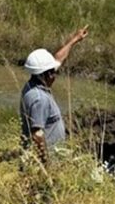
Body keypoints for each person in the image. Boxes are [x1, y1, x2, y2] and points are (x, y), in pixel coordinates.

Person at [20, 26, 89, 161]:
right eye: (53, 72)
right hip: (45, 161)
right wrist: (46, 165)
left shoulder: (33, 84)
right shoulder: (39, 99)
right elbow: (37, 135)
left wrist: (75, 39)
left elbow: (58, 59)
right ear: (46, 75)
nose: (55, 75)